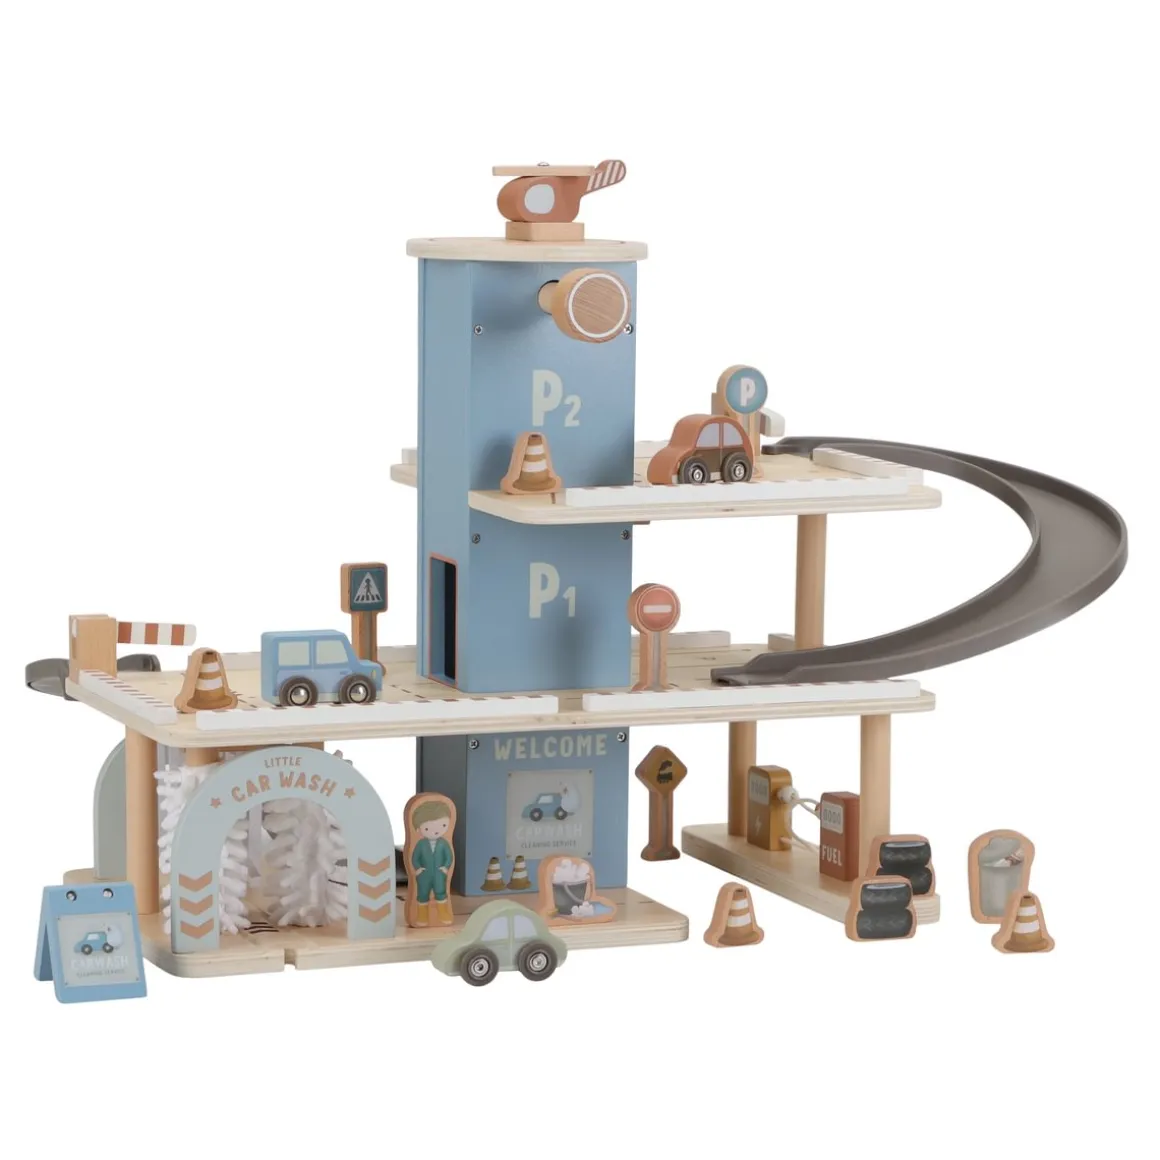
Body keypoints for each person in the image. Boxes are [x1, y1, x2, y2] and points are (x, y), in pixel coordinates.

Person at [409, 798, 454, 925]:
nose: (436, 830)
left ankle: (443, 913)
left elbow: (449, 856)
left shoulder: (443, 843)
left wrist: (445, 867)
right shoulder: (421, 844)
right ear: (419, 829)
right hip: (424, 874)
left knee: (441, 892)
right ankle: (422, 916)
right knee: (422, 893)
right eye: (428, 828)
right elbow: (415, 857)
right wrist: (418, 868)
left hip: (439, 873)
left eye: (443, 825)